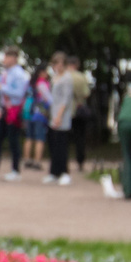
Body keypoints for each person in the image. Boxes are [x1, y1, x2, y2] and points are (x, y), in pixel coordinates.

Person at [0, 48, 30, 180]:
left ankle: (15, 170)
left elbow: (19, 93)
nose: (4, 60)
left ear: (14, 58)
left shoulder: (19, 74)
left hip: (14, 109)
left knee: (13, 140)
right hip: (4, 108)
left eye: (7, 57)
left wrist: (3, 88)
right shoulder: (5, 72)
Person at [46, 53, 79, 186]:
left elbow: (66, 99)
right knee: (53, 144)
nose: (58, 66)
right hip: (53, 113)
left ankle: (64, 172)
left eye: (60, 63)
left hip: (62, 116)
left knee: (61, 145)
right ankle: (54, 172)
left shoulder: (67, 78)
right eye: (56, 63)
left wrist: (59, 116)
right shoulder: (54, 77)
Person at [26, 67, 52, 171]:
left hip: (29, 113)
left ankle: (27, 159)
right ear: (42, 72)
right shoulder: (42, 84)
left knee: (29, 137)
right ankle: (37, 161)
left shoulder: (31, 83)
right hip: (40, 113)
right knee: (40, 138)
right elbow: (49, 99)